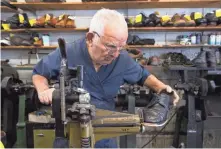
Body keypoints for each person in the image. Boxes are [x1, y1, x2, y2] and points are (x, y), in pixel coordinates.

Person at [32, 8, 179, 148]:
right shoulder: (68, 52)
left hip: (106, 132)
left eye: (120, 48)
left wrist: (162, 88)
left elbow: (143, 76)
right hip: (71, 134)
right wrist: (43, 90)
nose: (115, 54)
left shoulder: (122, 60)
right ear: (90, 38)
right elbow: (39, 73)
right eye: (110, 46)